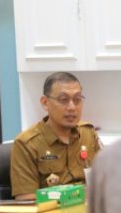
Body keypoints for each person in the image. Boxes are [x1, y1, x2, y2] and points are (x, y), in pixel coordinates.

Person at [10, 72, 101, 200]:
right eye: (63, 100)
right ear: (45, 102)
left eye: (77, 100)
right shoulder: (27, 143)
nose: (72, 107)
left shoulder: (88, 133)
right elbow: (26, 198)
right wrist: (72, 197)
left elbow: (104, 181)